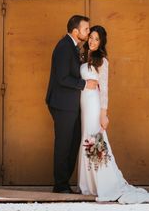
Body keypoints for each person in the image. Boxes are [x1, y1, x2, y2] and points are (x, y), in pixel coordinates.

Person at [77, 25, 149, 204]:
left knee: (95, 140)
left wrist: (104, 114)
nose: (92, 41)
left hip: (94, 105)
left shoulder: (102, 61)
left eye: (97, 39)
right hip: (84, 105)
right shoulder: (82, 57)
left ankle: (104, 183)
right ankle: (89, 184)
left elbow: (104, 88)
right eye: (91, 37)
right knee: (87, 140)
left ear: (101, 42)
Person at [45, 15, 98, 193]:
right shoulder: (63, 47)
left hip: (71, 106)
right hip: (62, 104)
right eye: (86, 29)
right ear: (75, 31)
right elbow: (62, 78)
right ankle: (60, 185)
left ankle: (64, 182)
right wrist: (85, 84)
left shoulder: (74, 47)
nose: (88, 32)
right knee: (64, 144)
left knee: (73, 142)